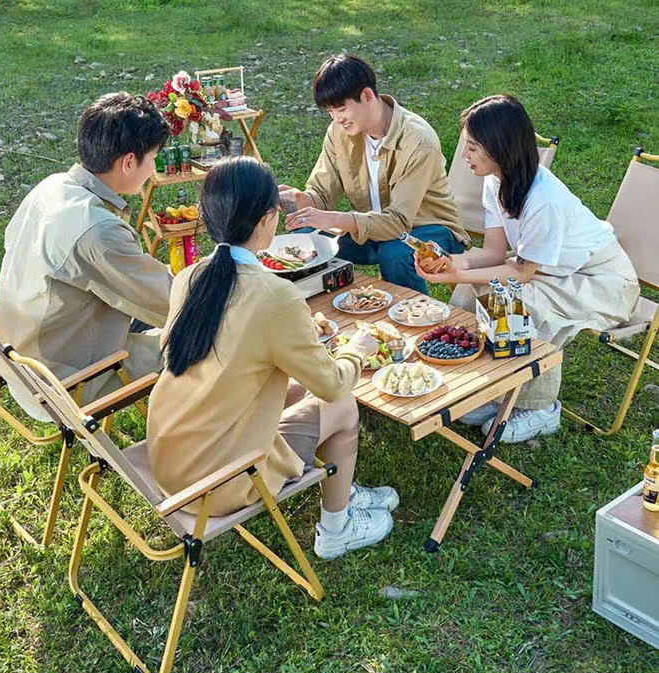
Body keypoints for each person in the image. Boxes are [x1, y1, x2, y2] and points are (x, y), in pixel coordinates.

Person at [147, 157, 398, 560]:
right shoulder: (276, 296)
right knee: (343, 405)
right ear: (268, 218)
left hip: (170, 459)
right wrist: (358, 348)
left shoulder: (189, 277)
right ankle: (337, 529)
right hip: (219, 480)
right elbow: (332, 384)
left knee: (299, 388)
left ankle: (344, 489)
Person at [415, 94, 640, 443]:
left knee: (522, 304)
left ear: (499, 148)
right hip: (549, 269)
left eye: (472, 148)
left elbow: (520, 275)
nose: (464, 156)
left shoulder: (542, 199)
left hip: (601, 281)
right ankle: (488, 385)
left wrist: (458, 272)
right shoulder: (495, 181)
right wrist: (448, 262)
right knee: (472, 289)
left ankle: (540, 408)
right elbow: (494, 254)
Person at [0, 92, 173, 417]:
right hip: (69, 381)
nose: (154, 168)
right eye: (153, 158)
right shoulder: (99, 231)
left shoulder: (51, 187)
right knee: (205, 341)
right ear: (129, 162)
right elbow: (173, 302)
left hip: (22, 362)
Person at [279, 54, 470, 294]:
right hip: (373, 229)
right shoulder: (339, 131)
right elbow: (322, 192)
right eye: (330, 111)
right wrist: (301, 201)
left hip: (428, 229)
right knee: (306, 237)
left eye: (341, 109)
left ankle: (413, 313)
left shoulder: (418, 141)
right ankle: (328, 311)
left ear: (367, 96)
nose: (337, 119)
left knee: (395, 253)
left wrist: (336, 219)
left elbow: (398, 223)